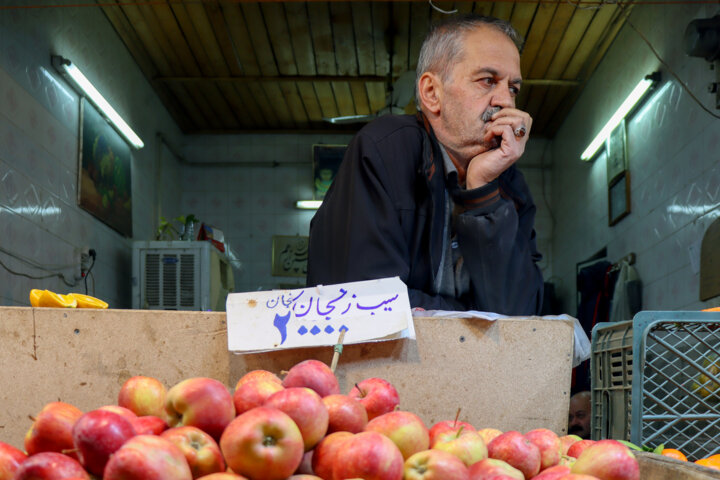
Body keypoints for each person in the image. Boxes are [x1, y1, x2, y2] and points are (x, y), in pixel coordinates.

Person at [306, 14, 543, 314]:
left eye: (513, 88)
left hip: (473, 362)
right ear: (432, 93)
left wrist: (482, 191)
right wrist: (474, 315)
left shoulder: (508, 182)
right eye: (487, 81)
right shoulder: (384, 151)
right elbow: (367, 305)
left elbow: (521, 316)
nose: (506, 102)